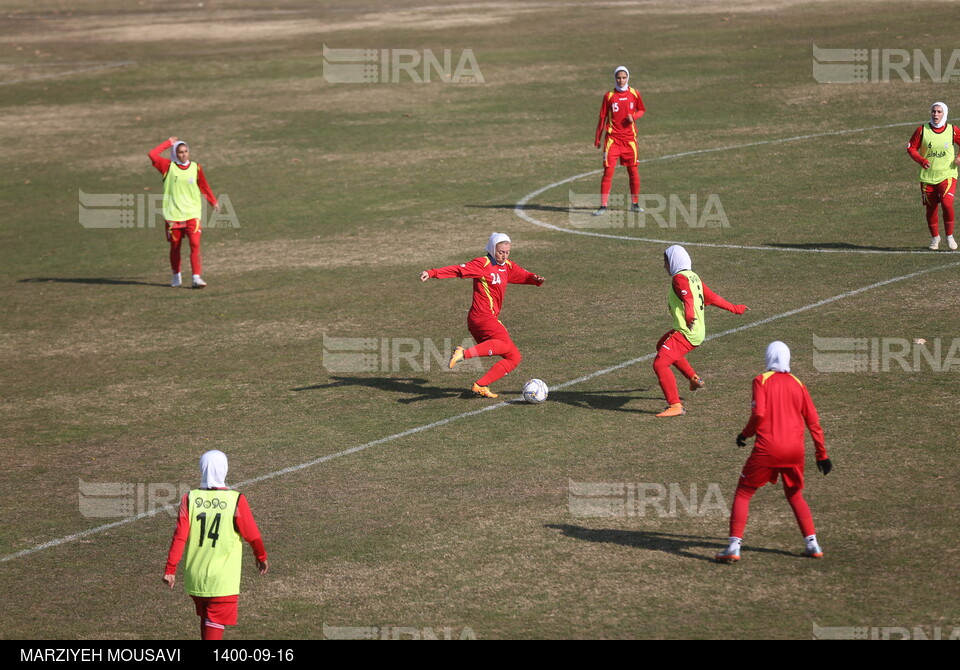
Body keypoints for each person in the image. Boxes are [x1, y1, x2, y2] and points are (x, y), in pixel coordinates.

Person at [715, 341, 832, 563]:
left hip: (767, 449)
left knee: (744, 492)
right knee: (795, 494)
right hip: (795, 451)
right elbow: (813, 421)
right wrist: (822, 455)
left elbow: (758, 414)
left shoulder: (761, 380)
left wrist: (744, 435)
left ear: (768, 357)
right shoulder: (798, 383)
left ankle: (733, 546)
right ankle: (812, 544)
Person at [420, 232, 545, 399]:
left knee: (514, 357)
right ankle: (463, 353)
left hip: (486, 319)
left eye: (507, 252)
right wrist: (433, 272)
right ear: (493, 249)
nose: (504, 255)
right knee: (506, 345)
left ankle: (481, 385)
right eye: (501, 252)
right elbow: (459, 270)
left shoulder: (507, 266)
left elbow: (522, 275)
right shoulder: (482, 263)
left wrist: (534, 279)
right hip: (482, 317)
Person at [163, 450, 268, 640]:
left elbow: (179, 537)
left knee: (207, 620)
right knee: (215, 623)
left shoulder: (190, 498)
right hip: (221, 580)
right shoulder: (235, 500)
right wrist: (261, 557)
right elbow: (253, 536)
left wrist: (170, 569)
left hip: (196, 578)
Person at [653, 245, 748, 417]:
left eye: (665, 262)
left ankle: (675, 405)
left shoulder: (679, 279)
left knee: (660, 363)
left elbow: (687, 298)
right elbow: (712, 297)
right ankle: (694, 379)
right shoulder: (693, 277)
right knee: (662, 346)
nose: (664, 266)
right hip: (696, 331)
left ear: (673, 261)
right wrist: (735, 308)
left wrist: (689, 315)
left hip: (687, 332)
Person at [149, 137, 220, 288]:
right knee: (175, 247)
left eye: (186, 151)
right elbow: (153, 155)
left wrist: (213, 201)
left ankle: (196, 277)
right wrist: (168, 143)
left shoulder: (196, 167)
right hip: (173, 215)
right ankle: (176, 276)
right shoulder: (167, 167)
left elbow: (203, 186)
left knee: (195, 245)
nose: (184, 155)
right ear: (175, 154)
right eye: (180, 152)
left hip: (192, 214)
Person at [906, 102, 960, 250]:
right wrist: (922, 161)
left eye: (939, 112)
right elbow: (911, 148)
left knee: (947, 203)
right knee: (931, 209)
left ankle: (949, 236)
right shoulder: (922, 130)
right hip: (927, 178)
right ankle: (935, 238)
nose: (935, 114)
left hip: (947, 174)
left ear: (945, 114)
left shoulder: (952, 130)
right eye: (933, 111)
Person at [593, 66, 645, 216]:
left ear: (628, 77)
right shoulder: (609, 96)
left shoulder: (635, 94)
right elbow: (602, 117)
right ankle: (603, 205)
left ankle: (635, 203)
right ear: (614, 78)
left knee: (633, 171)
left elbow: (642, 109)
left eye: (623, 77)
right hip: (612, 141)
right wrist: (597, 137)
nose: (621, 80)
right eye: (618, 77)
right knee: (608, 172)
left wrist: (634, 117)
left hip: (629, 141)